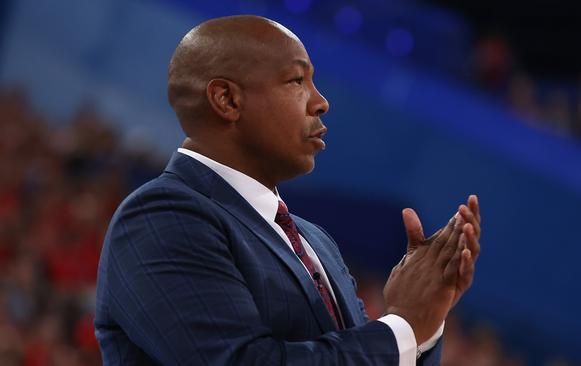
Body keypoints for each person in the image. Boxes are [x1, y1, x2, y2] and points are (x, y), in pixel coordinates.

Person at [94, 15, 481, 365]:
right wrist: (402, 327)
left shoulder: (317, 243)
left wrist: (425, 323)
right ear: (227, 99)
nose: (321, 101)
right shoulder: (162, 216)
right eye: (297, 80)